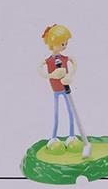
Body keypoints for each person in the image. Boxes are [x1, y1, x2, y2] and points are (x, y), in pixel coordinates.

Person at [38, 24, 90, 155]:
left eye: (66, 43)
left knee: (70, 112)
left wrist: (70, 75)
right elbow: (40, 70)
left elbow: (74, 62)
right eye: (62, 43)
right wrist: (52, 75)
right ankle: (54, 138)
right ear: (53, 44)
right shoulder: (49, 60)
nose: (65, 46)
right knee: (57, 114)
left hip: (66, 89)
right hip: (56, 91)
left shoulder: (64, 58)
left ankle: (71, 136)